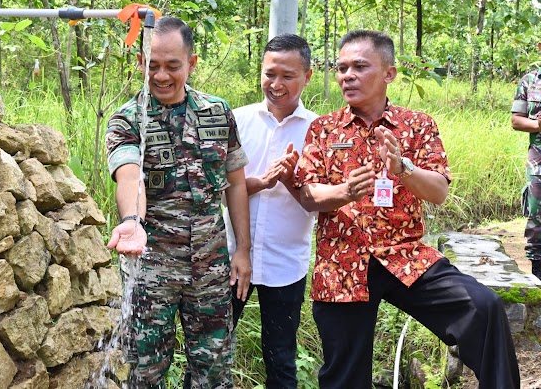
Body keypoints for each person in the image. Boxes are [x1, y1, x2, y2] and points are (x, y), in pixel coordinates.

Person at [295, 29, 520, 388]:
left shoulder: (417, 125)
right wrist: (345, 191)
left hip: (406, 256)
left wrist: (403, 167)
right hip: (343, 263)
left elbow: (439, 192)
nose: (347, 76)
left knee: (483, 307)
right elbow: (308, 194)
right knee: (344, 377)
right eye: (341, 68)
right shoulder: (323, 129)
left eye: (359, 66)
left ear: (389, 73)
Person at [105, 16, 252, 388]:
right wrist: (132, 222)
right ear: (140, 64)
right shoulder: (127, 119)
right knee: (143, 371)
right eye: (152, 65)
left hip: (211, 266)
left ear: (192, 62)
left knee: (213, 372)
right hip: (151, 269)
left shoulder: (218, 113)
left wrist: (243, 251)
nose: (162, 76)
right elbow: (129, 173)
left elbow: (235, 183)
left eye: (173, 65)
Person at [222, 33, 317, 388]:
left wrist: (293, 180)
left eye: (287, 76)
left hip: (286, 263)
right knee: (212, 349)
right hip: (232, 259)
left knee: (280, 355)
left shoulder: (317, 130)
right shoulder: (237, 119)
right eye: (269, 74)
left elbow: (321, 197)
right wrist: (261, 181)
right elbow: (218, 185)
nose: (276, 84)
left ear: (307, 76)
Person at [511, 41, 541, 280]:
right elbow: (517, 121)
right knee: (537, 213)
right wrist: (538, 125)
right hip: (539, 159)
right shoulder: (529, 81)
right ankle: (537, 275)